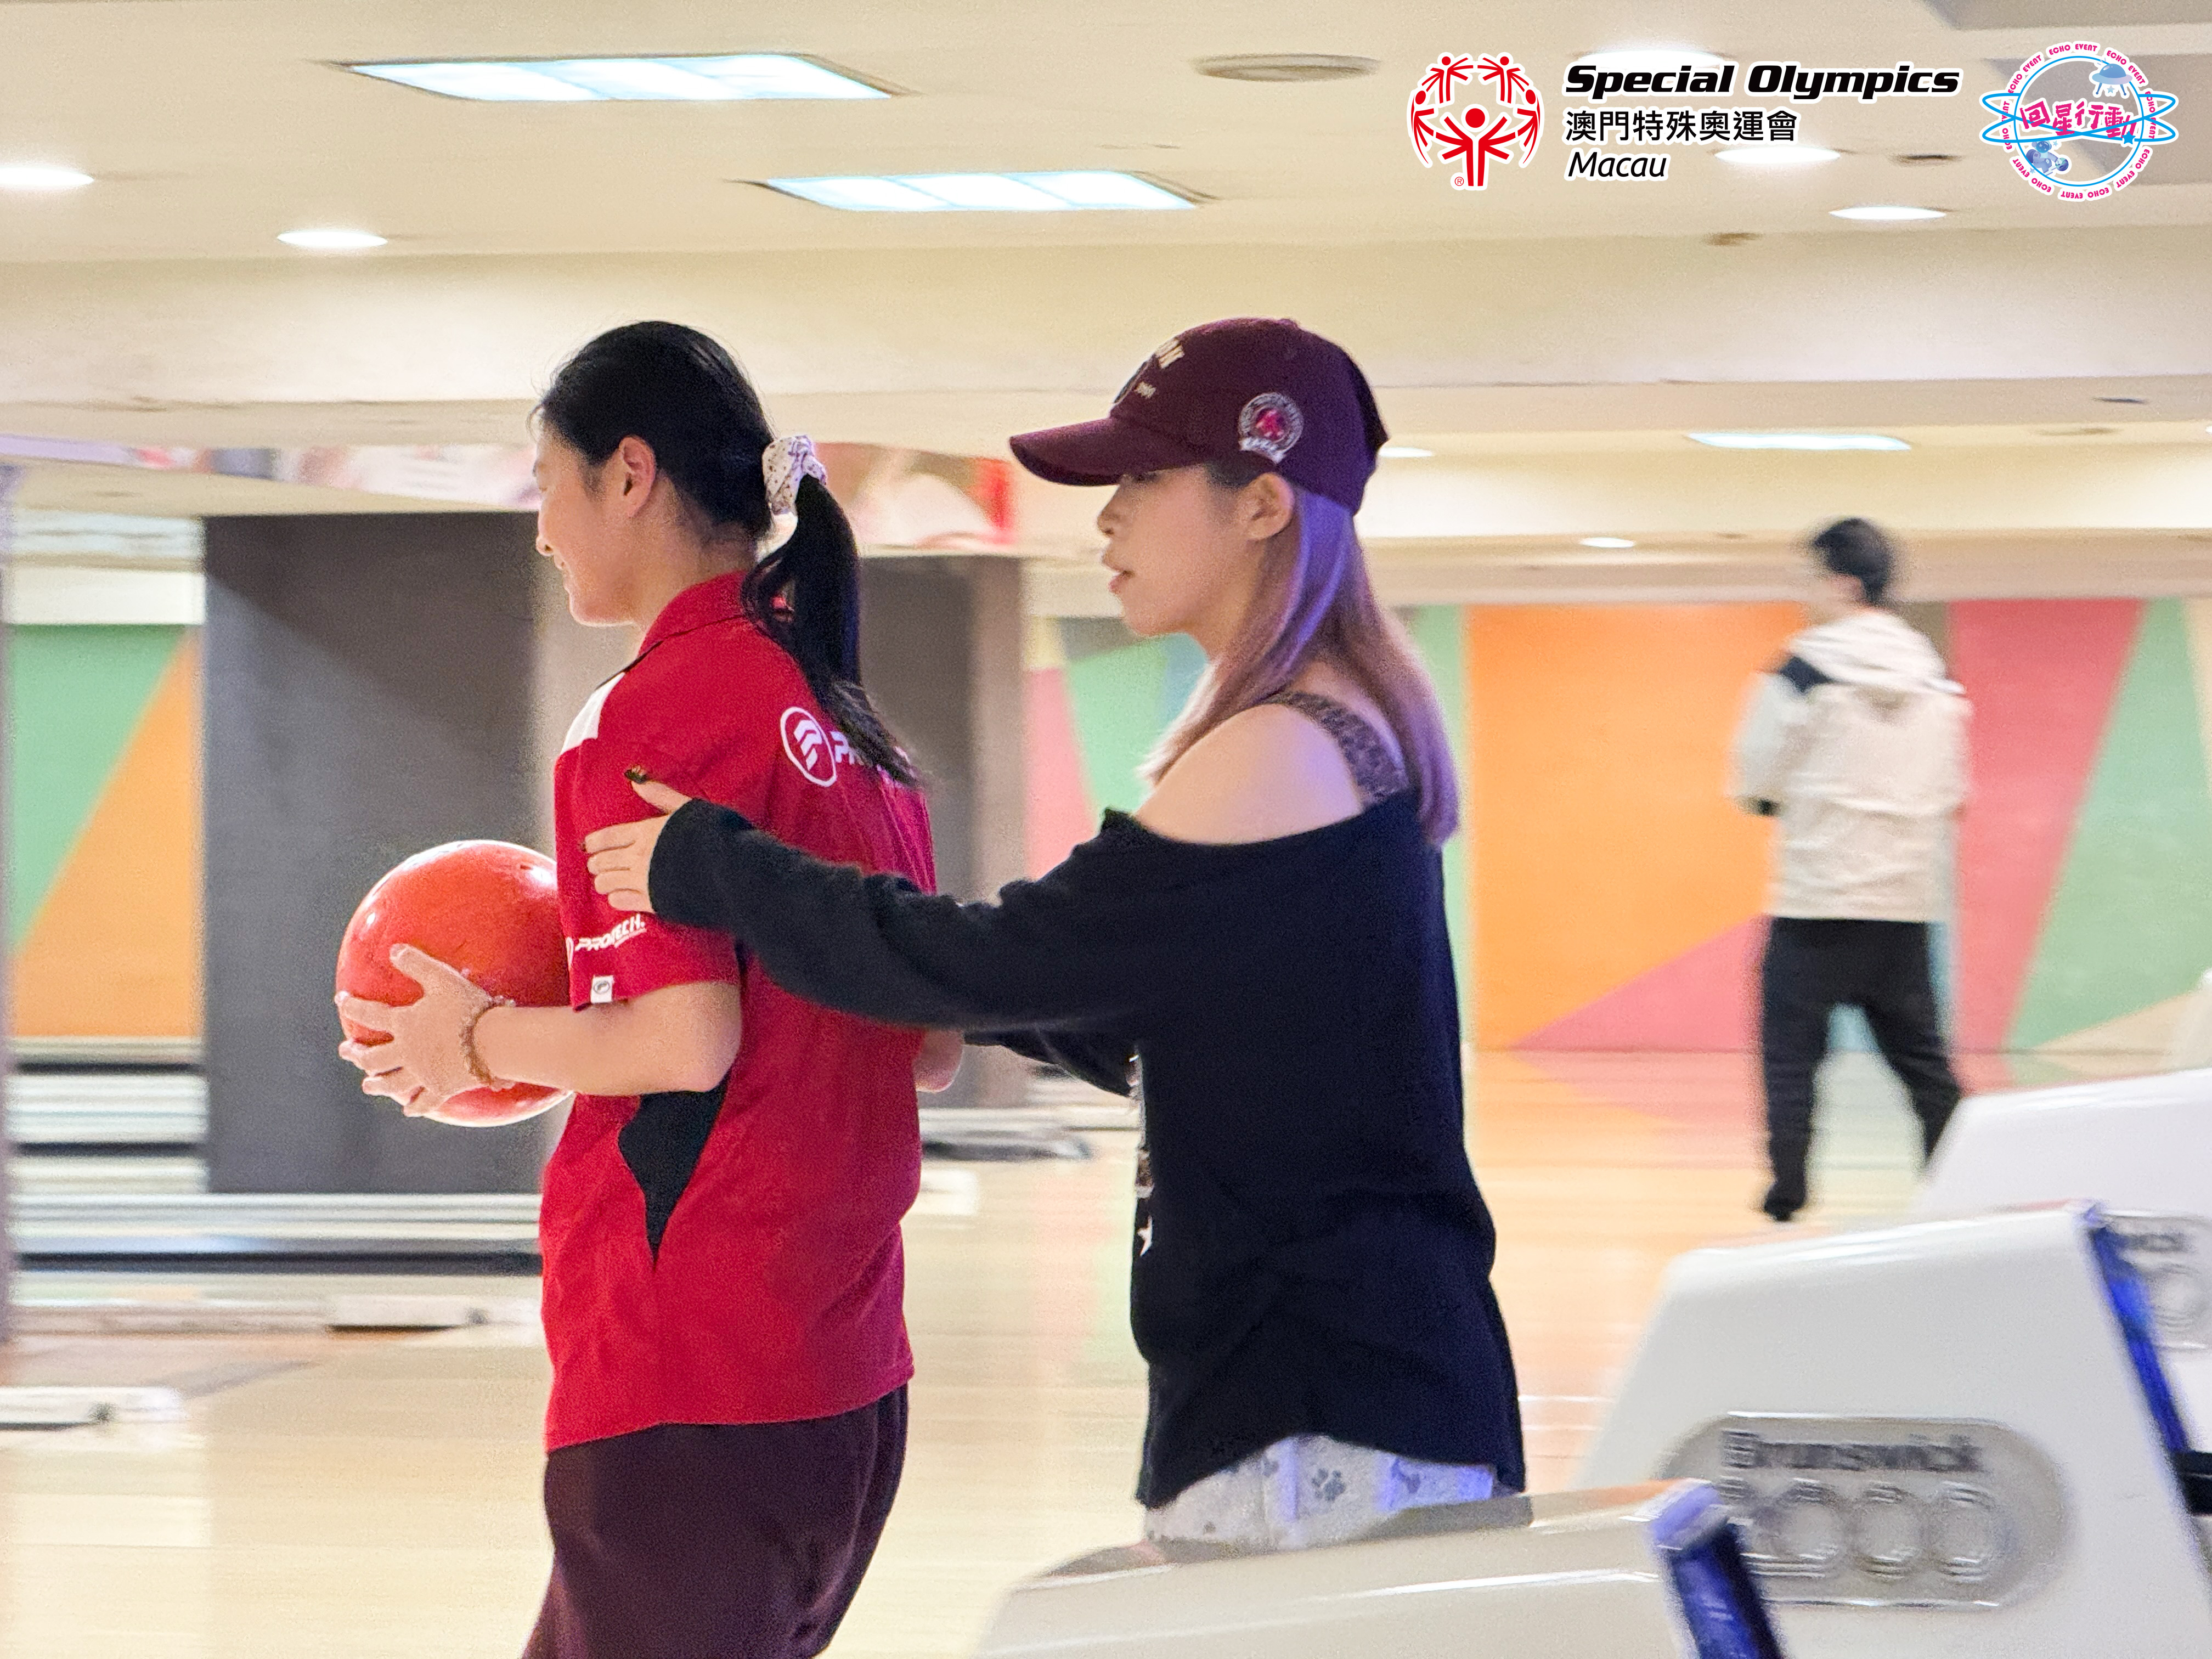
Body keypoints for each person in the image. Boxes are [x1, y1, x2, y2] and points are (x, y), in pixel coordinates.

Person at [581, 316, 1525, 1552]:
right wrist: (917, 987)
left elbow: (999, 963)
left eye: (1145, 480)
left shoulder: (1277, 751)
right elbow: (1147, 1019)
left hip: (1314, 1418)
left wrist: (716, 865)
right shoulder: (1339, 728)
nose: (1107, 519)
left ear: (1262, 503)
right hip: (1356, 1389)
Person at [335, 321, 959, 1658]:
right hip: (844, 1372)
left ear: (628, 475)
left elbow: (684, 1041)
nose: (541, 531)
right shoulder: (857, 735)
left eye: (545, 487)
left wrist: (474, 1038)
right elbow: (928, 1049)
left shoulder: (648, 716)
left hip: (692, 1372)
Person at [1730, 516, 1970, 1223]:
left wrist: (1779, 799)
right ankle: (1960, 1181)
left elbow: (1754, 777)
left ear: (1842, 582)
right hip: (1904, 902)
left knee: (1791, 1057)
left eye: (1809, 577)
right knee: (1924, 1064)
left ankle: (1789, 1188)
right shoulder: (1938, 682)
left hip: (1816, 900)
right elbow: (1952, 791)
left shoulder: (1799, 673)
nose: (1803, 592)